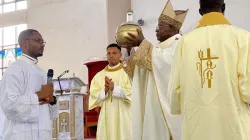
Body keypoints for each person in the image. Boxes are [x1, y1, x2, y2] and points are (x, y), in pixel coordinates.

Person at [167, 0, 250, 140]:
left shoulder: (184, 42)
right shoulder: (243, 37)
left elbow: (175, 90)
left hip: (196, 123)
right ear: (223, 8)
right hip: (232, 122)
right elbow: (247, 89)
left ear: (200, 11)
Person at [123, 1, 188, 140]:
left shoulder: (180, 44)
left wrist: (143, 44)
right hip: (152, 107)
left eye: (160, 26)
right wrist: (132, 52)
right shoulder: (158, 49)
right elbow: (143, 70)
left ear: (172, 28)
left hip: (168, 110)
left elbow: (166, 63)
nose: (156, 29)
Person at [0, 29, 58, 140]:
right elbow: (9, 106)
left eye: (43, 42)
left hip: (42, 133)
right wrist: (39, 97)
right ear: (25, 43)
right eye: (38, 41)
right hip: (21, 134)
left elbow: (51, 115)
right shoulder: (14, 70)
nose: (42, 45)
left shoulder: (42, 73)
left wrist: (52, 101)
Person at [89, 43, 132, 140]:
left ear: (120, 55)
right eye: (108, 53)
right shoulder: (99, 76)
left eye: (114, 53)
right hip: (106, 116)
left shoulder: (127, 72)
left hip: (123, 114)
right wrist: (105, 91)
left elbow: (132, 93)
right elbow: (93, 96)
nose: (111, 55)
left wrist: (114, 88)